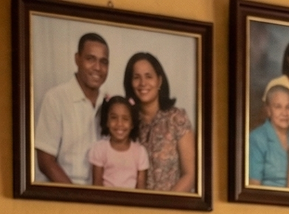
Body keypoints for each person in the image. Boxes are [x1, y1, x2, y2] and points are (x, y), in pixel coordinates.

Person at [35, 33, 109, 185]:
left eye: (103, 62)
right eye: (90, 59)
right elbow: (45, 161)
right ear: (77, 59)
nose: (97, 67)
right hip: (63, 197)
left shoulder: (110, 103)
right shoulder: (55, 98)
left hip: (100, 198)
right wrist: (76, 198)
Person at [124, 53, 196, 193]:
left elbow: (190, 175)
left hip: (172, 209)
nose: (143, 83)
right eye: (136, 77)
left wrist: (165, 206)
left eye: (148, 76)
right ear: (130, 83)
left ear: (159, 81)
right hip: (134, 209)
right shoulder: (126, 122)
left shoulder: (176, 118)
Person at [89, 96, 149, 189]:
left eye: (125, 119)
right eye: (114, 118)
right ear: (107, 121)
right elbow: (97, 186)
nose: (119, 124)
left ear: (132, 123)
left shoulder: (140, 152)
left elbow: (141, 189)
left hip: (132, 202)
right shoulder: (99, 149)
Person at [248, 84, 289, 187]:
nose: (285, 113)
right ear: (268, 110)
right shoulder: (257, 138)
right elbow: (254, 185)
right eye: (278, 107)